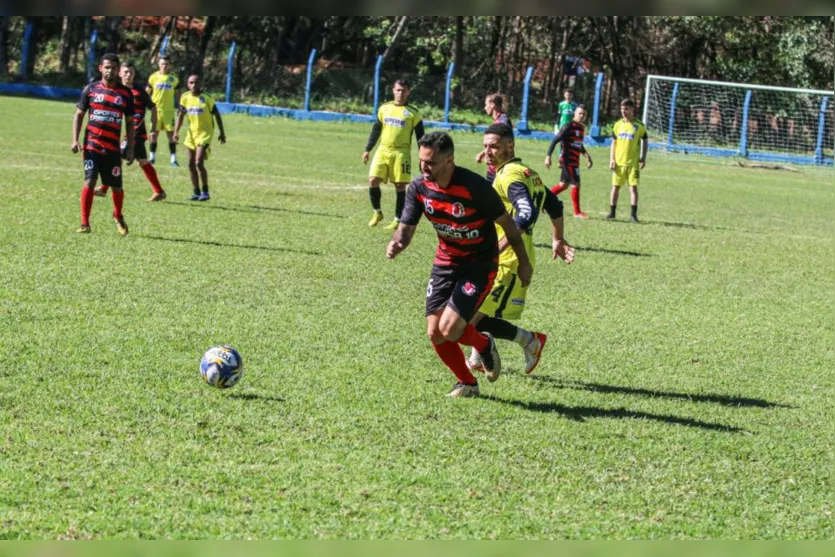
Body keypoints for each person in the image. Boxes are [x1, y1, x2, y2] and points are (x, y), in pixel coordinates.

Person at [387, 131, 533, 398]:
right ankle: (467, 383)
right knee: (434, 333)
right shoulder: (419, 188)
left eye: (430, 162)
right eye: (421, 161)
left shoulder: (474, 187)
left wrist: (524, 263)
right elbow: (406, 230)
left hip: (479, 263)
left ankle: (483, 344)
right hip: (446, 262)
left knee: (450, 329)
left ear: (449, 160)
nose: (424, 167)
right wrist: (397, 242)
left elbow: (509, 226)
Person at [468, 123, 575, 375]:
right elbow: (555, 205)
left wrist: (500, 246)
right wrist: (557, 238)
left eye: (493, 146)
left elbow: (526, 213)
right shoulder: (527, 172)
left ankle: (529, 341)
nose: (488, 152)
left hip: (508, 261)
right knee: (475, 312)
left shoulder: (510, 176)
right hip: (500, 258)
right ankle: (477, 357)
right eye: (485, 146)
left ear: (509, 146)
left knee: (466, 319)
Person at [71, 52, 135, 235]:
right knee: (90, 181)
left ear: (118, 71)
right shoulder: (90, 89)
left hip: (113, 149)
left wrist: (130, 147)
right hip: (92, 146)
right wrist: (75, 139)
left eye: (114, 68)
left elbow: (130, 122)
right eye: (107, 67)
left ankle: (118, 215)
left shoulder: (125, 93)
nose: (110, 71)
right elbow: (79, 115)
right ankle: (85, 223)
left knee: (116, 186)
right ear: (101, 68)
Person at [94, 60, 166, 202]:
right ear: (119, 73)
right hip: (127, 132)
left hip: (137, 132)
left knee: (117, 158)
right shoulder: (118, 89)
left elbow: (153, 107)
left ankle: (103, 188)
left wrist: (153, 129)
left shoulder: (138, 91)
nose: (128, 75)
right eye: (126, 72)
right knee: (143, 162)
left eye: (131, 73)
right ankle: (159, 191)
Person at [362, 79, 425, 229]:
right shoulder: (384, 108)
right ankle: (377, 212)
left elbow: (421, 137)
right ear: (393, 90)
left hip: (401, 153)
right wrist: (367, 149)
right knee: (372, 180)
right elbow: (376, 129)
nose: (400, 93)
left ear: (408, 92)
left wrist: (423, 158)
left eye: (403, 90)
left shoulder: (413, 113)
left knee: (400, 185)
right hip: (383, 150)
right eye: (398, 90)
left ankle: (397, 219)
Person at [174, 74, 227, 201]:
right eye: (191, 83)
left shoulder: (207, 98)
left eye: (196, 83)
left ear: (201, 84)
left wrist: (222, 132)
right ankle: (196, 192)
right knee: (190, 164)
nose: (194, 85)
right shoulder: (185, 97)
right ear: (188, 84)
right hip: (191, 134)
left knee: (199, 162)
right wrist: (176, 132)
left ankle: (205, 192)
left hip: (205, 134)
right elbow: (180, 116)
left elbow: (217, 115)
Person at [544, 105, 593, 219]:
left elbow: (578, 144)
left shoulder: (581, 128)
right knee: (576, 184)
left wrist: (587, 156)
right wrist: (548, 156)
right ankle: (577, 212)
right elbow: (555, 140)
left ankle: (542, 201)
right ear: (575, 113)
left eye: (584, 114)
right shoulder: (568, 126)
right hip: (567, 160)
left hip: (575, 160)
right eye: (580, 113)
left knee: (563, 185)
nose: (581, 116)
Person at [608, 98, 647, 222]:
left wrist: (643, 157)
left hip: (633, 163)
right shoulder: (618, 125)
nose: (623, 111)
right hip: (619, 163)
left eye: (626, 109)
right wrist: (612, 159)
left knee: (633, 188)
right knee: (615, 187)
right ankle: (612, 212)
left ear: (632, 110)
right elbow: (613, 143)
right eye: (622, 109)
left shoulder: (639, 126)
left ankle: (633, 215)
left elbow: (645, 140)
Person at [146, 54, 180, 167]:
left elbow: (178, 94)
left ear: (170, 65)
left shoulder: (174, 78)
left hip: (169, 111)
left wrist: (180, 106)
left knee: (171, 135)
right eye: (162, 64)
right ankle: (152, 158)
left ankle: (173, 160)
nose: (164, 66)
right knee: (153, 134)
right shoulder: (153, 77)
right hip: (156, 111)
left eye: (166, 64)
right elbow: (147, 91)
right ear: (158, 65)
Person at [475, 92, 513, 182]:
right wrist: (483, 153)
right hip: (494, 167)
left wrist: (485, 153)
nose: (485, 108)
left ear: (492, 105)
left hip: (499, 167)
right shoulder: (500, 120)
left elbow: (501, 143)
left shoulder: (503, 121)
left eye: (486, 104)